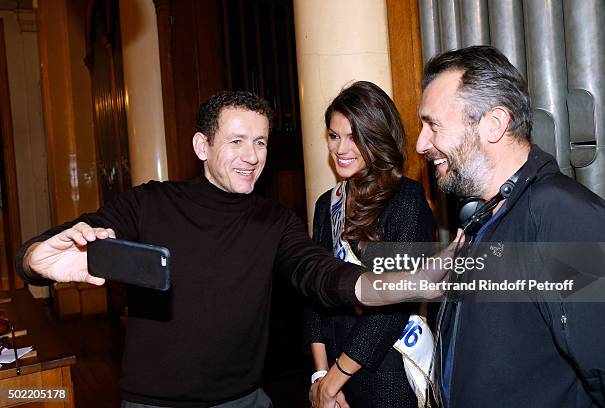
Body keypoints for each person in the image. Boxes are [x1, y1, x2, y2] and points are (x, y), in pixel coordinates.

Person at [17, 91, 365, 408]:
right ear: (202, 147)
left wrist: (377, 285)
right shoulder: (150, 203)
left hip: (244, 400)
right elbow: (60, 242)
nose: (252, 156)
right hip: (154, 403)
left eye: (260, 142)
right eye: (237, 141)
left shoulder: (273, 219)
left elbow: (315, 269)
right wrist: (33, 260)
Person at [414, 45, 605, 407]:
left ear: (494, 124)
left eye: (433, 125)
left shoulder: (564, 217)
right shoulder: (484, 215)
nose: (420, 143)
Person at [305, 81, 436, 408]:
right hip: (335, 372)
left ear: (377, 138)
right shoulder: (327, 205)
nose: (340, 149)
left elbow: (394, 306)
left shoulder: (406, 199)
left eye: (354, 137)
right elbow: (313, 295)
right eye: (334, 136)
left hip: (387, 370)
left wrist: (333, 381)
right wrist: (320, 378)